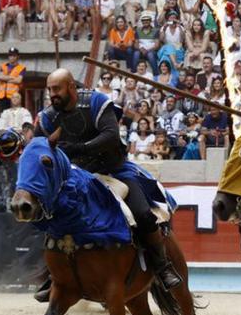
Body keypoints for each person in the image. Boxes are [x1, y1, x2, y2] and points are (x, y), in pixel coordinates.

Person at [34, 68, 183, 302]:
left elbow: (111, 136)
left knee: (143, 214)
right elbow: (37, 147)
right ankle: (54, 276)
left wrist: (78, 148)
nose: (52, 95)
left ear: (71, 87)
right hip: (78, 178)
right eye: (49, 90)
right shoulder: (48, 117)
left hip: (116, 171)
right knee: (53, 217)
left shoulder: (96, 102)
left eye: (57, 89)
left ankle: (161, 267)